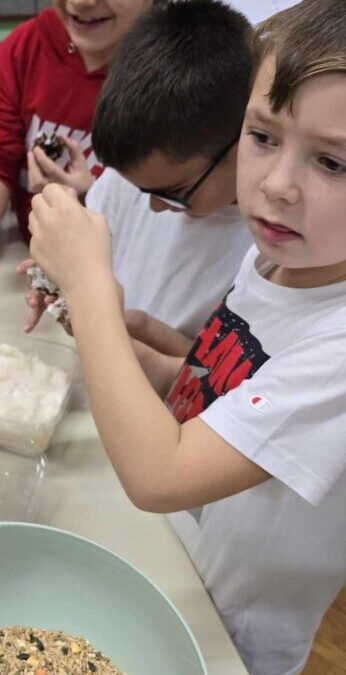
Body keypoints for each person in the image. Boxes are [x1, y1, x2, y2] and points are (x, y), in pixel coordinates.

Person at [27, 1, 346, 672]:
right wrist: (156, 352)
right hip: (186, 560)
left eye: (333, 163)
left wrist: (89, 289)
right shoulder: (276, 257)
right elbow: (233, 395)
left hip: (241, 633)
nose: (278, 186)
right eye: (263, 136)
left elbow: (160, 472)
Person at [23, 0, 255, 353]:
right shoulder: (142, 172)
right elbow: (101, 236)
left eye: (175, 192)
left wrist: (111, 323)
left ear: (245, 141)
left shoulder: (267, 247)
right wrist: (60, 280)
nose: (155, 207)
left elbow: (218, 377)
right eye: (137, 188)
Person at [0, 0, 156, 299]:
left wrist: (93, 198)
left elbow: (166, 219)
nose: (82, 3)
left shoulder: (168, 74)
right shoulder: (23, 49)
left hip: (121, 281)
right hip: (31, 268)